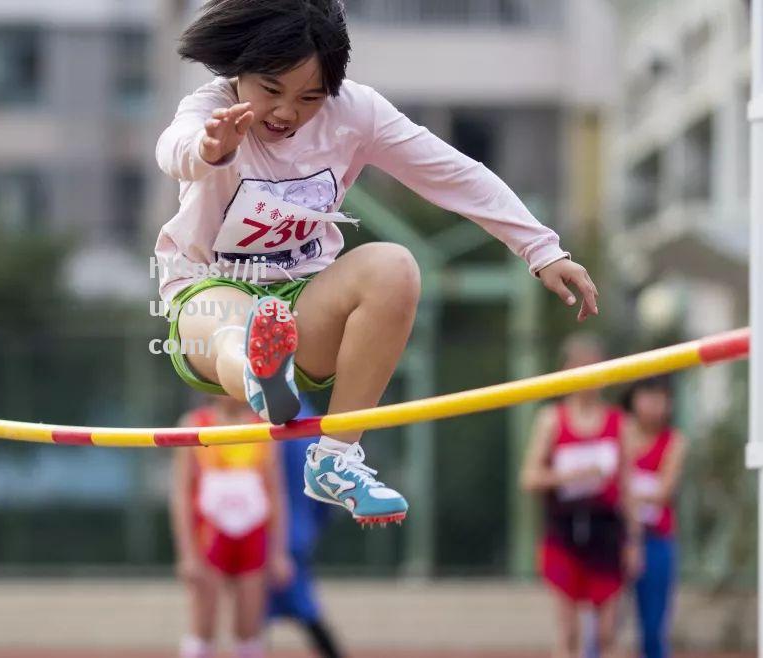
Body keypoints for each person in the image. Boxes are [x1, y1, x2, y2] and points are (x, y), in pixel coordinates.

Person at [155, 0, 599, 526]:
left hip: (306, 302)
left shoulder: (356, 113)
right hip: (209, 290)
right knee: (232, 322)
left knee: (395, 267)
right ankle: (258, 369)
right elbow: (173, 147)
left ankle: (336, 457)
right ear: (238, 71)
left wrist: (542, 249)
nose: (286, 113)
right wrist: (209, 148)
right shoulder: (211, 110)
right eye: (271, 91)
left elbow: (453, 172)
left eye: (309, 98)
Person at [520, 335, 642, 658]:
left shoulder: (620, 423)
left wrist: (634, 541)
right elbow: (529, 477)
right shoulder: (551, 420)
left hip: (606, 532)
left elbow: (628, 488)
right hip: (564, 530)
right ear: (566, 371)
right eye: (579, 367)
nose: (587, 375)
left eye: (593, 366)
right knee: (568, 632)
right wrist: (570, 475)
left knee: (606, 634)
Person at [171, 395, 294, 658]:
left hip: (252, 534)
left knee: (249, 631)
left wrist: (279, 552)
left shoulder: (264, 427)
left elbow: (276, 492)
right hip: (210, 535)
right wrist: (187, 554)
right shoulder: (194, 424)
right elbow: (182, 493)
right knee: (202, 629)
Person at [267, 394, 345, 658]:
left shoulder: (266, 419)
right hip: (298, 530)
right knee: (301, 611)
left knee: (257, 616)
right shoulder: (312, 422)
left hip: (273, 534)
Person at [622, 376, 685, 658]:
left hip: (657, 540)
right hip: (614, 537)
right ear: (634, 398)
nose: (654, 404)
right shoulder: (618, 432)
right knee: (601, 627)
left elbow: (663, 491)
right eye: (647, 396)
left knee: (652, 629)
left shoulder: (674, 440)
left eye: (661, 397)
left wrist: (626, 490)